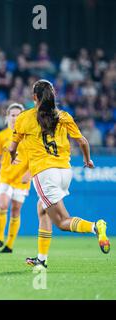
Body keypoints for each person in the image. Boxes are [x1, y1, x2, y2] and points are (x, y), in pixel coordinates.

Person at [9, 79, 110, 270]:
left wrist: (13, 156)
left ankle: (95, 227)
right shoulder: (63, 116)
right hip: (65, 171)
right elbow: (83, 142)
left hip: (45, 173)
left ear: (34, 97)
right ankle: (42, 259)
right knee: (42, 209)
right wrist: (87, 160)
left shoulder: (25, 117)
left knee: (63, 221)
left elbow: (12, 147)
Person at [0, 103, 30, 253]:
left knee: (16, 210)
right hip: (5, 177)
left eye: (18, 115)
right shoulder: (1, 136)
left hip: (22, 179)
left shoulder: (29, 135)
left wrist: (30, 174)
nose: (15, 118)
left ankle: (10, 245)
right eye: (12, 115)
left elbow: (35, 157)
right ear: (7, 117)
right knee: (3, 205)